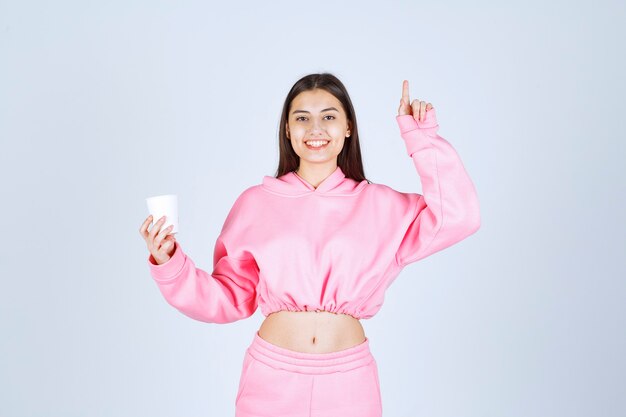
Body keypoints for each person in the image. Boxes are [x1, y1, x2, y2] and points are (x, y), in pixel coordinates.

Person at [138, 73, 480, 417]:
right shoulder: (256, 203)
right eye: (302, 118)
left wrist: (422, 139)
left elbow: (457, 216)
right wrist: (169, 261)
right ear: (287, 129)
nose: (315, 128)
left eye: (329, 117)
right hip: (270, 380)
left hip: (348, 384)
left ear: (348, 127)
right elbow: (228, 297)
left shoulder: (382, 205)